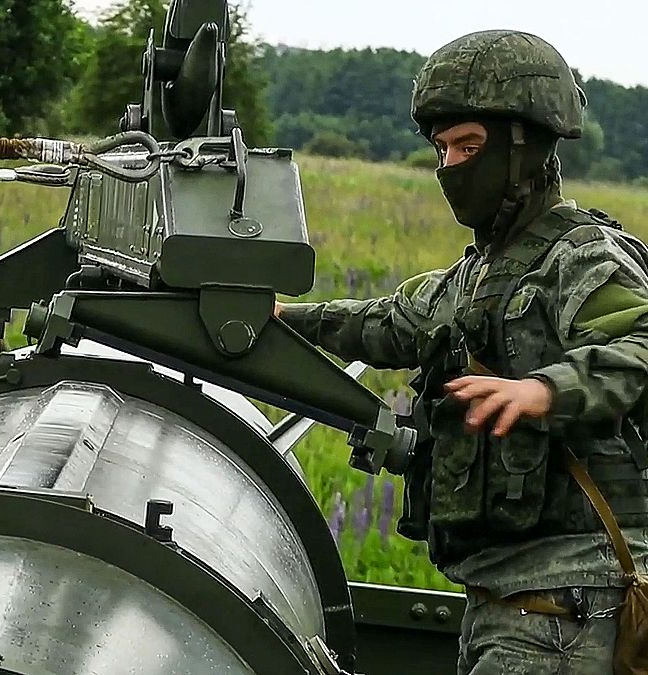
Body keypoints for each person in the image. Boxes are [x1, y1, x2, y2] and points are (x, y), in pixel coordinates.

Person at [275, 30, 648, 673]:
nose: (450, 165)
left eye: (468, 145)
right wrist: (284, 318)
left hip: (567, 605)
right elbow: (391, 324)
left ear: (523, 148)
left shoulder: (582, 256)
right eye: (442, 148)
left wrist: (545, 389)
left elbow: (639, 344)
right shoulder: (478, 275)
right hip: (500, 603)